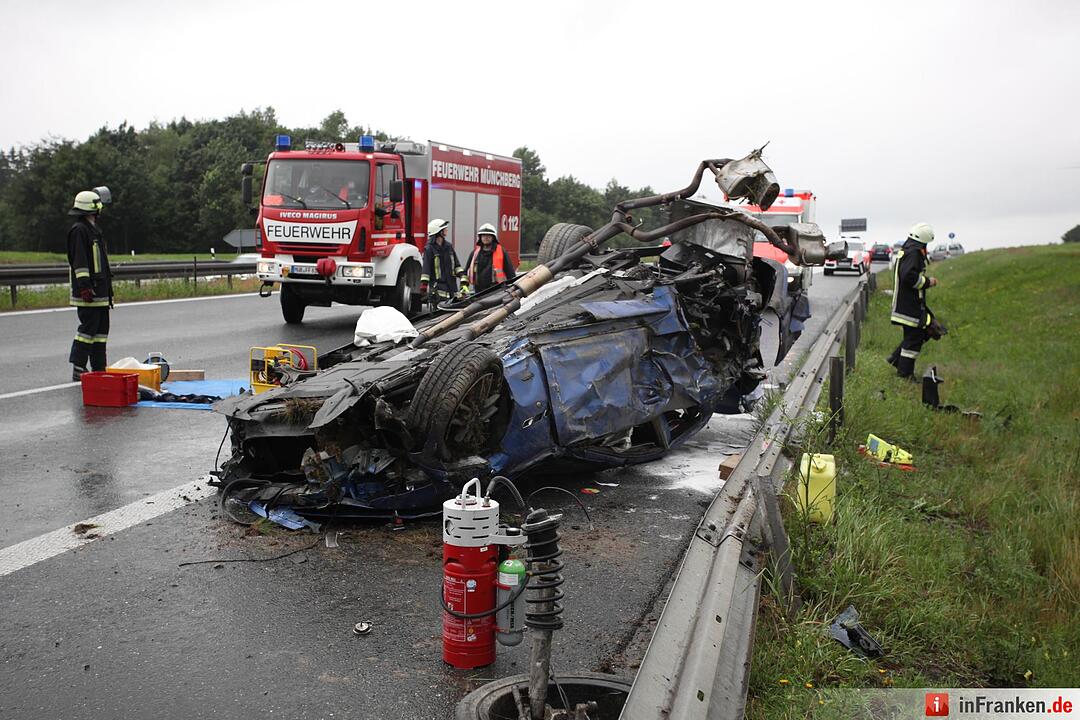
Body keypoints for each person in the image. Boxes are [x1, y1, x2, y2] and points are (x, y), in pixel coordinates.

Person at [66, 188, 113, 380]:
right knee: (87, 330)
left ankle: (99, 368)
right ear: (93, 209)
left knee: (101, 332)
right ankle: (78, 367)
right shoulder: (79, 231)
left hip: (100, 292)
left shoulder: (93, 230)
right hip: (89, 292)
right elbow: (80, 261)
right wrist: (85, 286)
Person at [888, 222, 938, 379]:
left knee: (917, 334)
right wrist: (928, 282)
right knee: (914, 338)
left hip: (908, 304)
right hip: (909, 305)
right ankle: (905, 373)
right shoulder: (914, 253)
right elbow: (908, 276)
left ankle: (896, 360)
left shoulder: (908, 250)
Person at [420, 218, 468, 302]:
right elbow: (426, 269)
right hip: (438, 291)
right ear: (438, 231)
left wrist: (462, 276)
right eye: (444, 228)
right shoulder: (429, 249)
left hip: (452, 289)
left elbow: (456, 265)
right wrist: (424, 286)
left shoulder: (448, 247)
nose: (446, 230)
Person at [463, 223, 516, 293]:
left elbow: (510, 272)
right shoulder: (475, 253)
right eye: (483, 235)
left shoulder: (501, 252)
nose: (486, 237)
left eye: (488, 235)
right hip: (478, 291)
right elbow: (466, 272)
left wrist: (513, 289)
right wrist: (464, 288)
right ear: (480, 237)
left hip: (496, 290)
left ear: (493, 237)